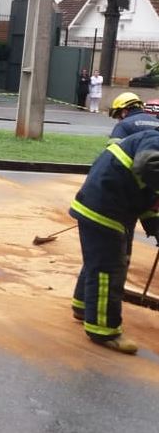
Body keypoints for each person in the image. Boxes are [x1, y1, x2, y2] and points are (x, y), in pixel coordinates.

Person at [70, 129, 159, 355]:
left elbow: (148, 198)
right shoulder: (154, 142)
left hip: (108, 205)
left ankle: (83, 307)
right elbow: (147, 166)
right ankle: (103, 330)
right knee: (108, 269)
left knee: (98, 261)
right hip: (105, 209)